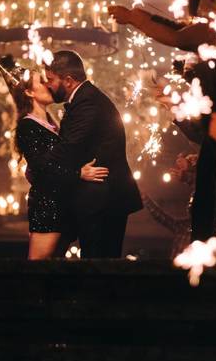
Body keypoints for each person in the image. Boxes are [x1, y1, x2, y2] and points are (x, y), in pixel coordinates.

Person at [42, 50, 142, 258]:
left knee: (99, 266)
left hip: (104, 201)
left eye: (51, 80)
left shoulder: (88, 103)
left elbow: (70, 148)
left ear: (68, 80)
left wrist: (40, 163)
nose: (48, 85)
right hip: (96, 198)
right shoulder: (84, 99)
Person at [4, 65, 109, 259]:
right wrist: (79, 174)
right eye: (42, 82)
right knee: (38, 268)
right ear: (29, 92)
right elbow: (41, 169)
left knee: (53, 270)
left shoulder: (52, 123)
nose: (48, 85)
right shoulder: (28, 126)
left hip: (62, 204)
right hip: (48, 208)